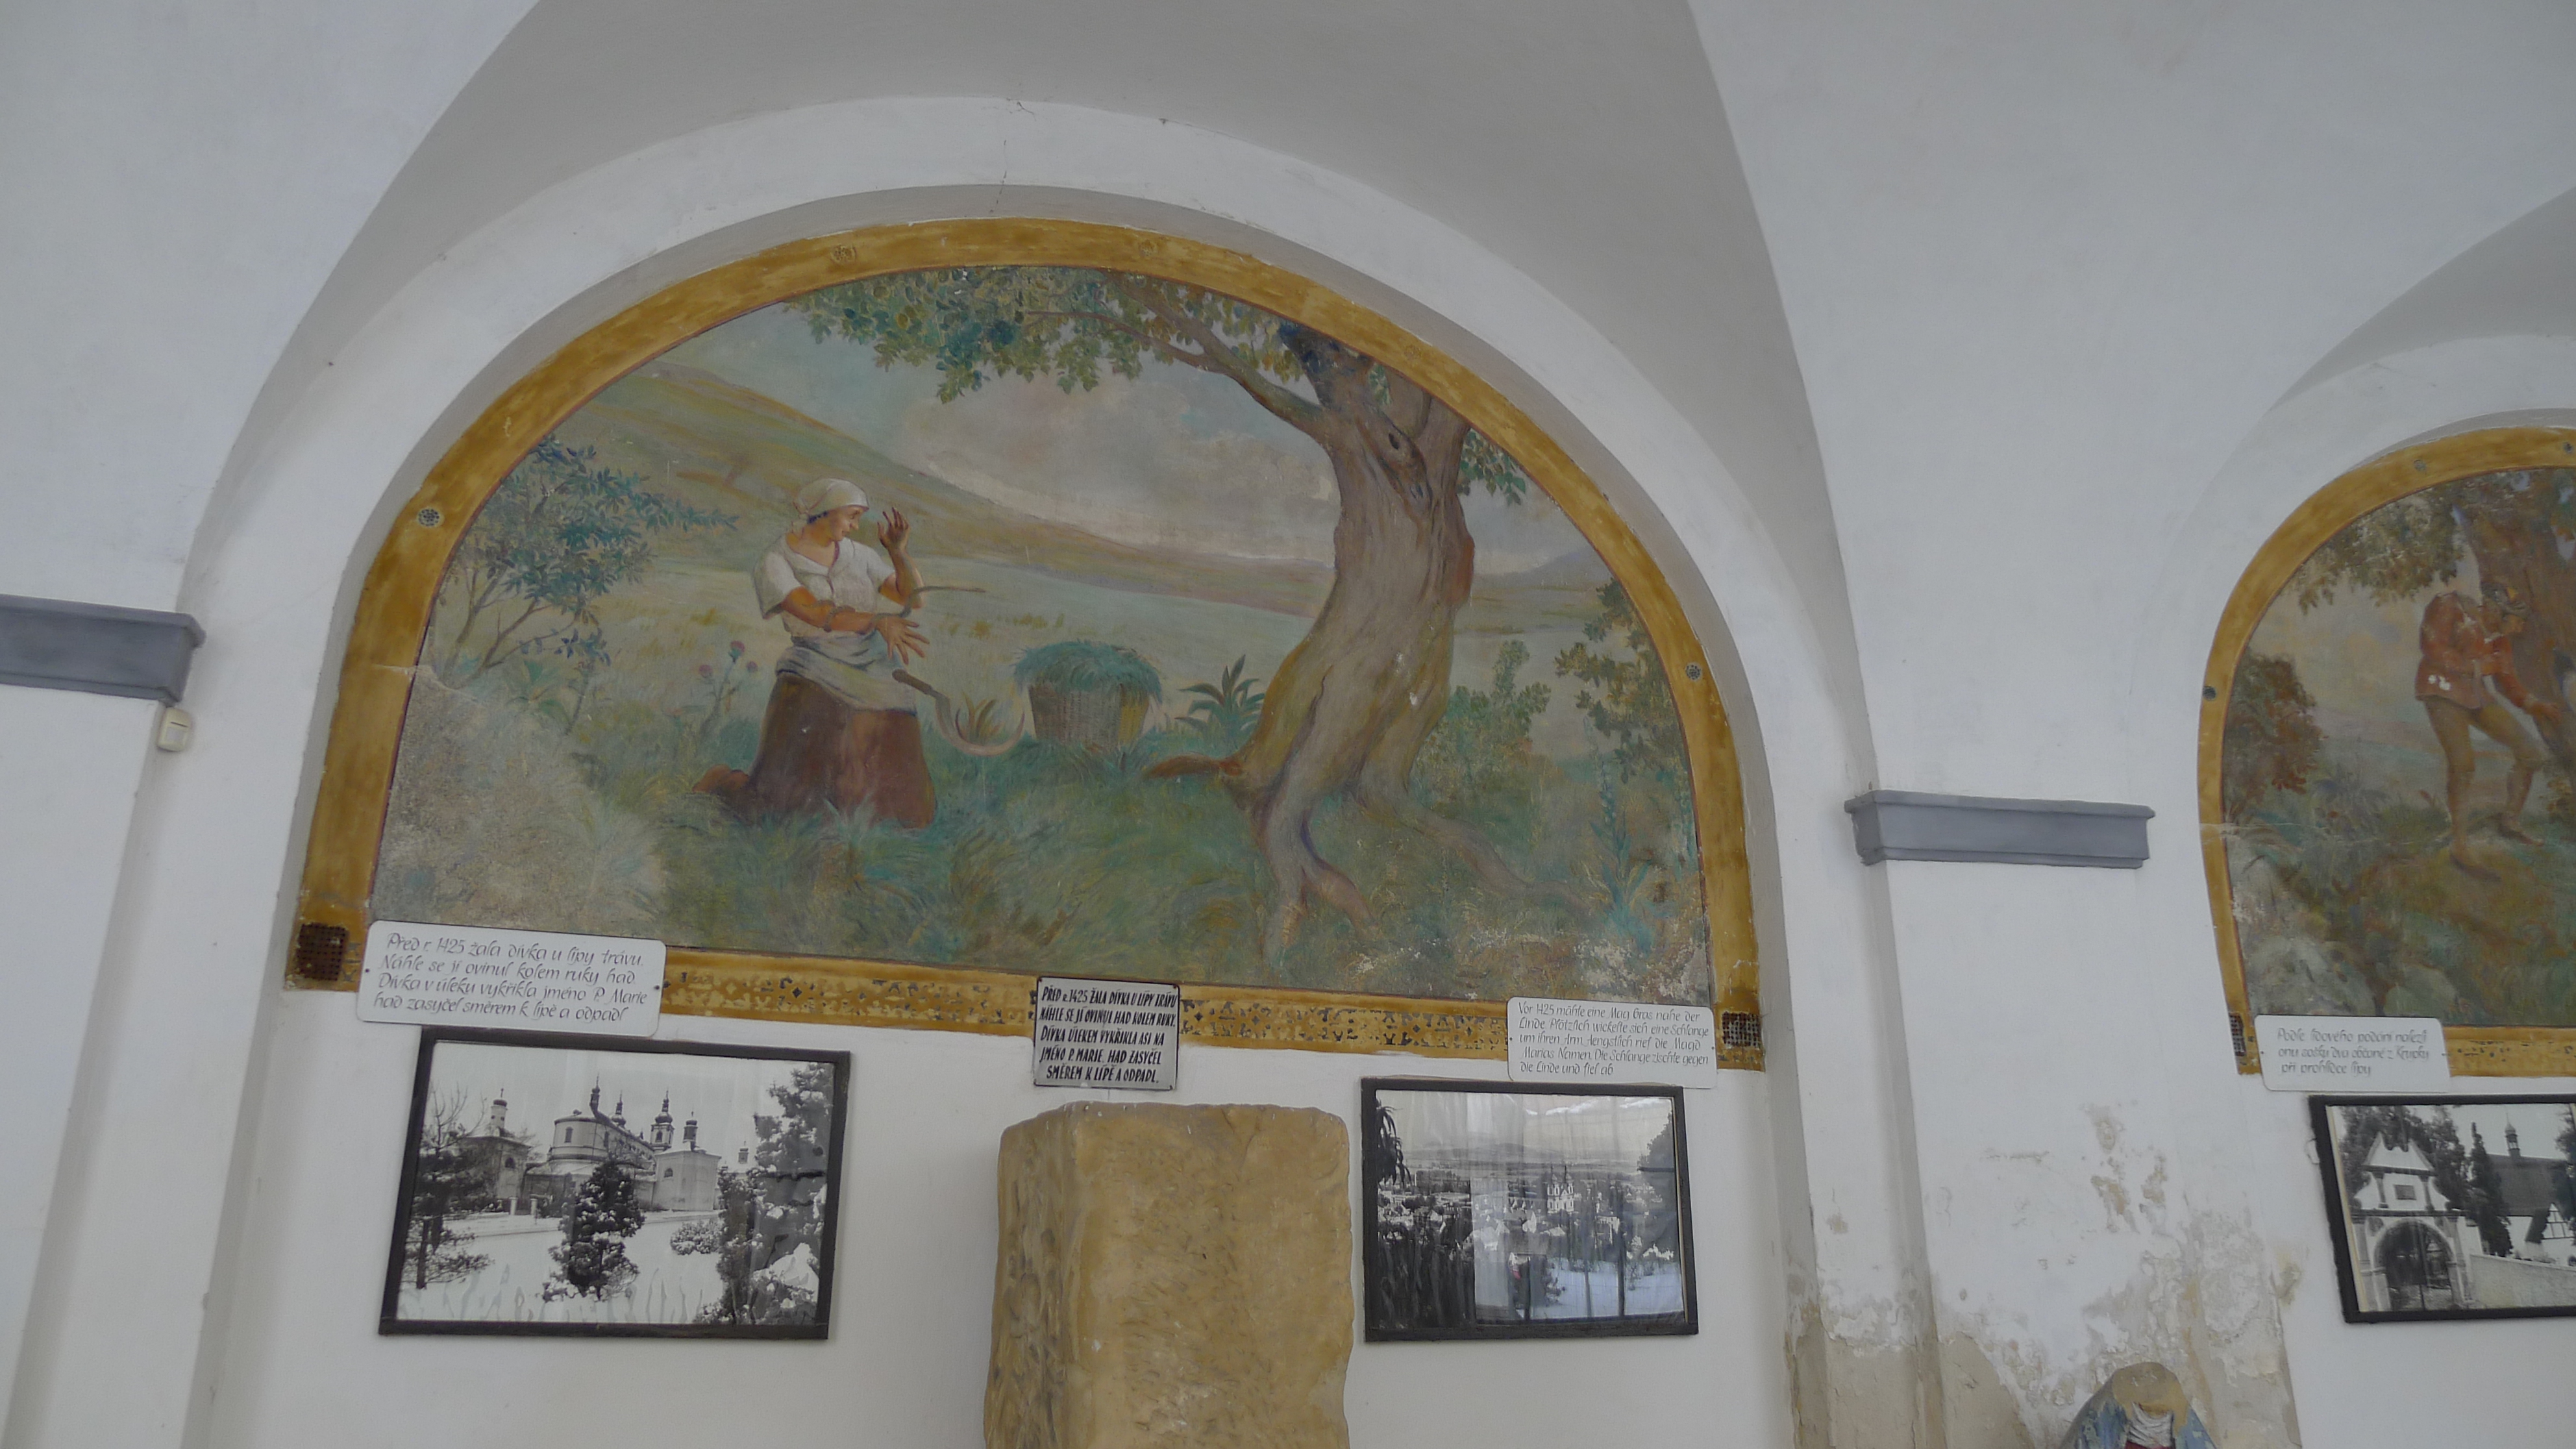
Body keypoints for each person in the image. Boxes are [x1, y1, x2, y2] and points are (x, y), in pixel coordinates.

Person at [694, 477, 935, 826]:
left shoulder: (860, 556)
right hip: (813, 667)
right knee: (783, 807)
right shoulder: (777, 560)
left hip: (875, 670)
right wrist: (877, 620)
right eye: (852, 516)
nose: (856, 526)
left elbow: (913, 597)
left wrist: (898, 553)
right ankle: (722, 783)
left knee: (905, 811)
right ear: (826, 511)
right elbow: (814, 613)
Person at [2416, 581, 2562, 866]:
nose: (2520, 628)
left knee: (2531, 753)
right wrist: (2475, 667)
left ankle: (2509, 822)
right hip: (2441, 691)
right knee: (2463, 766)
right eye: (2517, 621)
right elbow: (2431, 647)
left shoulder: (2499, 640)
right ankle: (2460, 845)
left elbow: (2507, 682)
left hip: (2476, 697)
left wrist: (2535, 705)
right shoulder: (2450, 606)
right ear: (2498, 612)